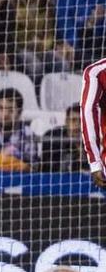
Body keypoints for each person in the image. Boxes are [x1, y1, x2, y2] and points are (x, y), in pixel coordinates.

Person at [0, 88, 39, 170]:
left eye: (11, 110)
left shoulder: (28, 133)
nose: (5, 115)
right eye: (1, 109)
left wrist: (12, 158)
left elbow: (32, 167)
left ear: (20, 112)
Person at [81, 58, 106, 188]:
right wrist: (95, 161)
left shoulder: (97, 71)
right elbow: (89, 113)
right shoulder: (98, 72)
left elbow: (89, 113)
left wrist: (95, 162)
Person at [40, 104, 87, 173]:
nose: (77, 124)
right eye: (73, 120)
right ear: (66, 121)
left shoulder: (91, 140)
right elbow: (51, 167)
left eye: (81, 121)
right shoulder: (53, 137)